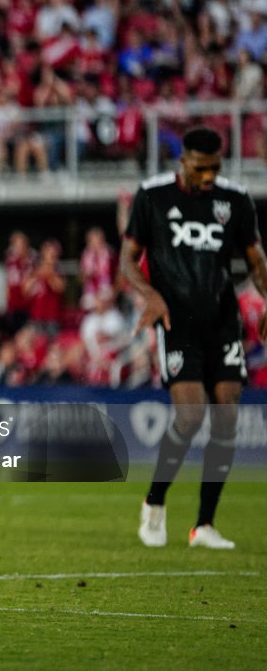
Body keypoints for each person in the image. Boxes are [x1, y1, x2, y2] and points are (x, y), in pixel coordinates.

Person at [122, 127, 267, 550]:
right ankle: (155, 500)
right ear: (182, 161)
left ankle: (203, 525)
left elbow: (256, 259)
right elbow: (127, 260)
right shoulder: (151, 197)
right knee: (190, 416)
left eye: (215, 169)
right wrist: (149, 293)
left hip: (222, 320)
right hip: (176, 321)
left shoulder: (235, 201)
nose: (209, 177)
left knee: (227, 415)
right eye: (202, 169)